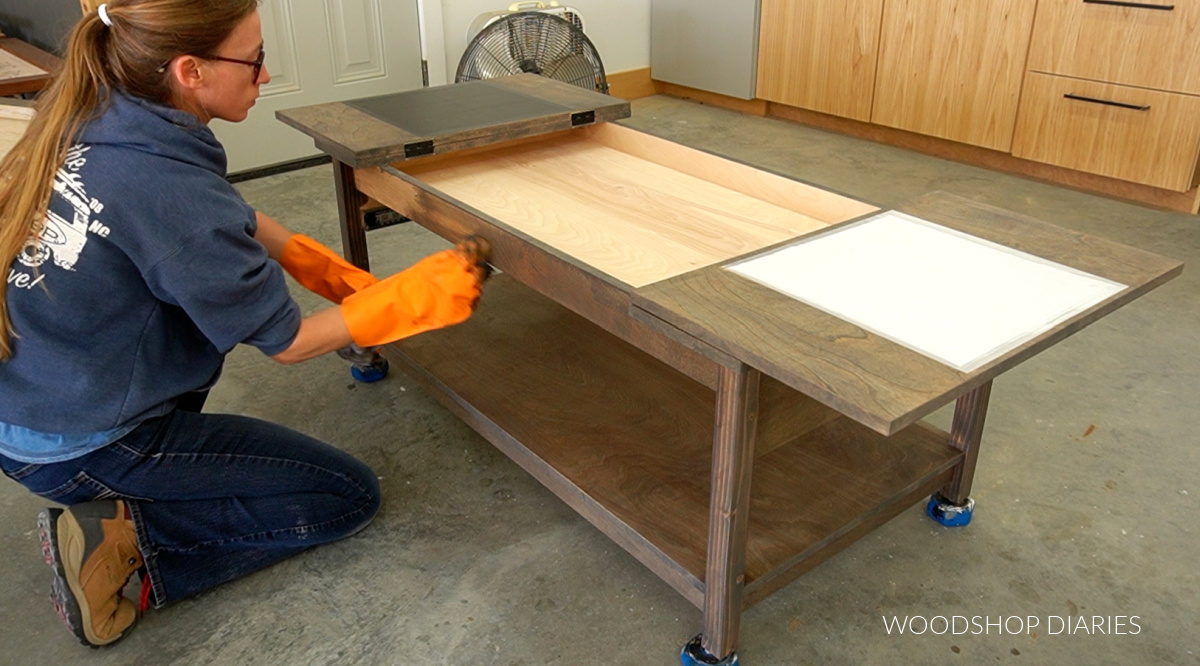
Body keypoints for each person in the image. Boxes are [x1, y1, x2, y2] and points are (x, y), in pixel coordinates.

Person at [0, 0, 489, 648]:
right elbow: (287, 343)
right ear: (190, 71)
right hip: (83, 442)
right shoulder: (169, 191)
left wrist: (316, 266)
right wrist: (408, 297)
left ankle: (137, 494)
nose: (265, 75)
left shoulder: (108, 103)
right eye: (254, 61)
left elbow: (226, 213)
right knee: (344, 494)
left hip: (36, 399)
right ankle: (131, 549)